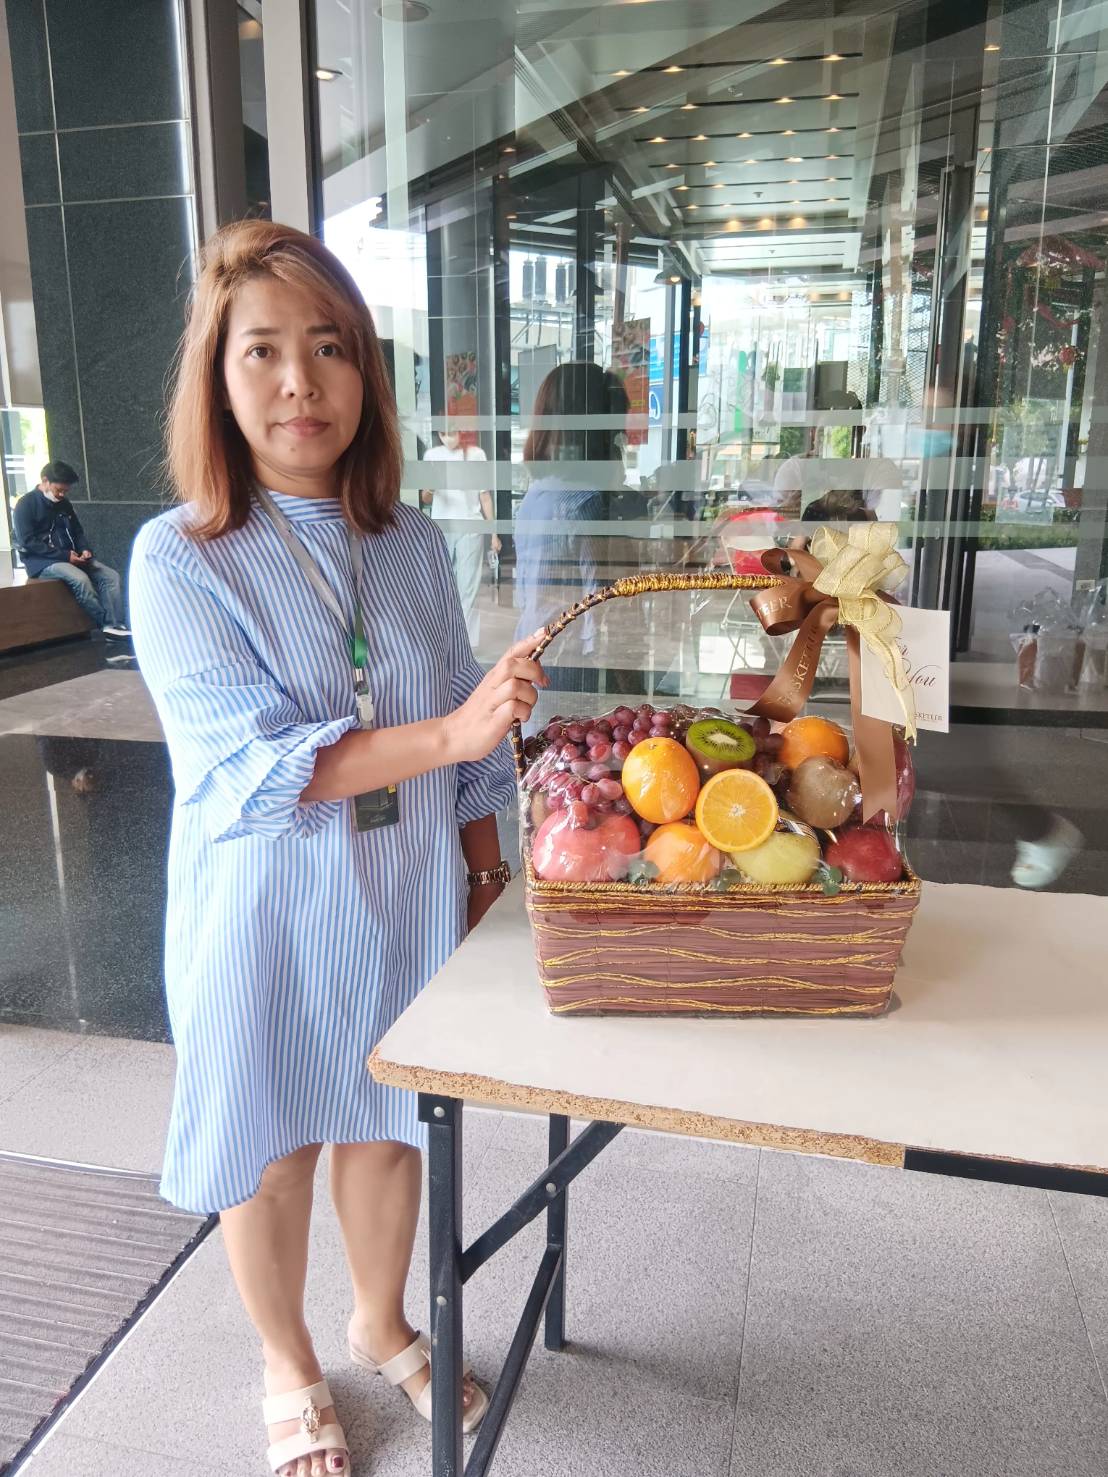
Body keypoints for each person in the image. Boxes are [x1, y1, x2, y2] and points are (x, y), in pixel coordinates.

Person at [128, 220, 546, 1477]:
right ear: (217, 377)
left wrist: (481, 865)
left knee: (384, 1117)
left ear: (367, 374)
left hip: (404, 878)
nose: (299, 380)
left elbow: (465, 717)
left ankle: (378, 1320)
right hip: (264, 899)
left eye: (329, 347)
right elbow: (251, 764)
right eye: (262, 351)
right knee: (270, 1138)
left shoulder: (410, 541)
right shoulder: (179, 555)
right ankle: (287, 1358)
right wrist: (452, 731)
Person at [514, 361, 630, 692]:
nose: (619, 445)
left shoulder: (535, 494)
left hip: (533, 645)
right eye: (615, 434)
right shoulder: (584, 503)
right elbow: (597, 604)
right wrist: (623, 677)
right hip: (572, 660)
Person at [12, 462, 130, 637]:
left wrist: (85, 550)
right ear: (45, 481)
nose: (61, 495)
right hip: (42, 562)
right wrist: (65, 556)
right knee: (80, 580)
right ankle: (106, 624)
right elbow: (28, 542)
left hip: (70, 556)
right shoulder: (25, 504)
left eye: (65, 491)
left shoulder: (64, 504)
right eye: (59, 490)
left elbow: (77, 531)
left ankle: (117, 625)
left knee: (111, 576)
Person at [419, 423, 500, 646]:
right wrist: (434, 485)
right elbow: (425, 498)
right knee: (441, 585)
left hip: (470, 526)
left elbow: (485, 497)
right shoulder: (432, 455)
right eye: (442, 434)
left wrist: (493, 533)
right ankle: (443, 640)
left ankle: (465, 645)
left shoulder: (476, 454)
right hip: (441, 527)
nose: (447, 439)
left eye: (451, 433)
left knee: (468, 587)